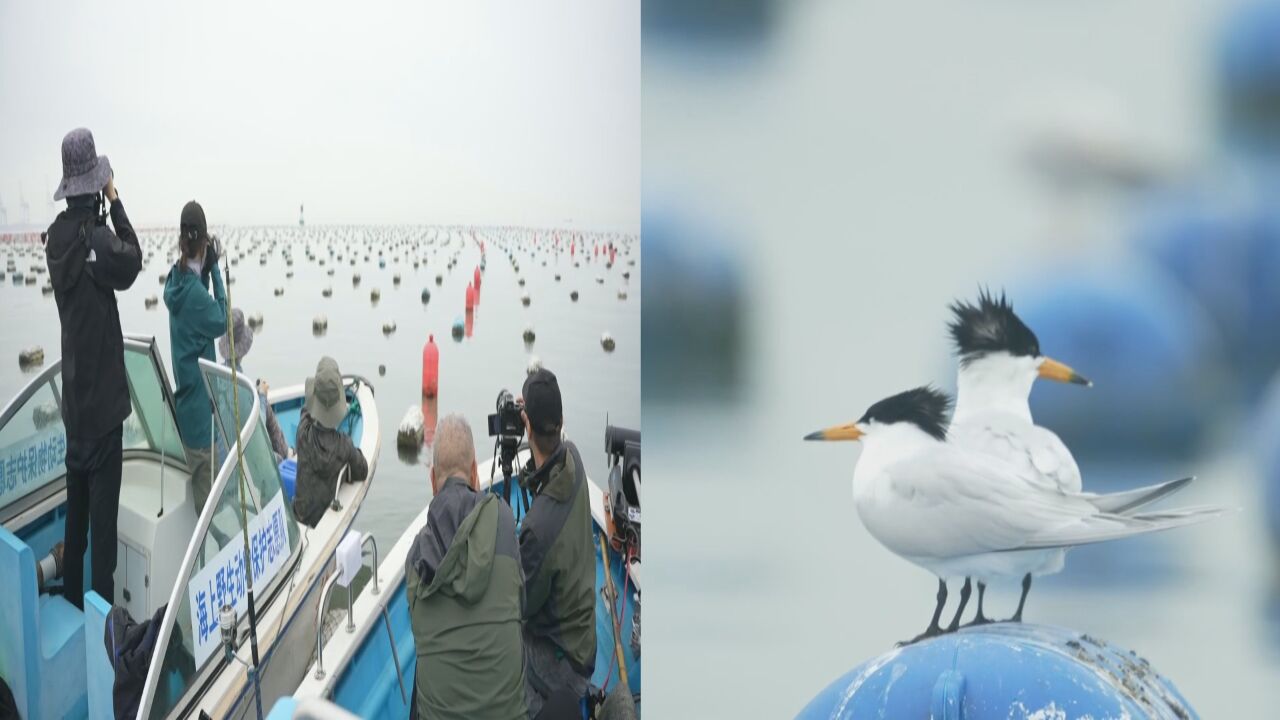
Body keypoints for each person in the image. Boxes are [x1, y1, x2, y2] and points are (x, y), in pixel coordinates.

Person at [44, 127, 143, 610]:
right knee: (102, 541)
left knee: (75, 526)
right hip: (103, 416)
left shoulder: (56, 240)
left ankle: (69, 607)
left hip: (74, 408)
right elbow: (133, 259)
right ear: (94, 185)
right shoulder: (96, 240)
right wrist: (116, 199)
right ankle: (106, 644)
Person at [405, 414, 526, 720]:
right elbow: (521, 608)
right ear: (475, 473)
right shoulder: (504, 522)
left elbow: (420, 630)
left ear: (433, 480)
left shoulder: (415, 558)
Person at [518, 368, 596, 716]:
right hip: (585, 642)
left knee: (497, 645)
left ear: (526, 425)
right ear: (561, 421)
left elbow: (523, 606)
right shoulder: (575, 459)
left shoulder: (537, 529)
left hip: (563, 664)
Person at [163, 200, 227, 515]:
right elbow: (222, 318)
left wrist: (201, 264)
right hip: (201, 424)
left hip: (184, 410)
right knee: (209, 512)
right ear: (203, 244)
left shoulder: (175, 281)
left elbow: (195, 300)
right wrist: (214, 268)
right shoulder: (195, 296)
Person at [293, 357, 367, 527]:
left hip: (299, 517)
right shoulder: (344, 446)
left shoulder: (302, 432)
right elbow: (362, 470)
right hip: (324, 523)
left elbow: (306, 410)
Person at [218, 308, 291, 462]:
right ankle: (287, 454)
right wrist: (262, 397)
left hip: (223, 452)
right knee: (277, 458)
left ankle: (287, 452)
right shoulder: (239, 385)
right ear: (243, 350)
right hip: (240, 459)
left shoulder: (218, 375)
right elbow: (257, 428)